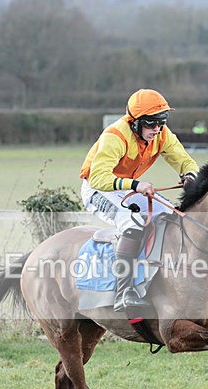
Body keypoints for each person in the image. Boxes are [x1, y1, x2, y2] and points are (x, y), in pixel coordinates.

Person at [79, 88, 199, 311]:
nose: (157, 129)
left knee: (171, 217)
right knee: (133, 222)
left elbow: (185, 160)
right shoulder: (115, 136)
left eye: (161, 122)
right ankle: (123, 291)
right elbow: (98, 178)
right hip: (97, 189)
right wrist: (135, 185)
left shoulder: (162, 134)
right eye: (151, 124)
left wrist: (190, 175)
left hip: (125, 189)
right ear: (135, 123)